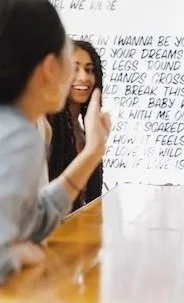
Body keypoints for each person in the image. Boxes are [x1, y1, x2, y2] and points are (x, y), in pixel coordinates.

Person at [0, 0, 110, 283]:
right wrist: (12, 257)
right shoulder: (20, 137)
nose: (81, 77)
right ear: (51, 67)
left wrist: (93, 152)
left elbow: (30, 221)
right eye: (69, 61)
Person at [48, 40, 103, 212]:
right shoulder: (46, 127)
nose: (83, 77)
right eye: (74, 69)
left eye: (89, 70)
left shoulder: (84, 130)